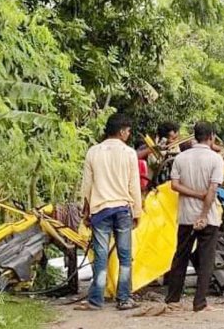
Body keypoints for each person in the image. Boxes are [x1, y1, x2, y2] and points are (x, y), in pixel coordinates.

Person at [77, 113, 143, 311]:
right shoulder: (129, 153)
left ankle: (96, 300)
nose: (129, 134)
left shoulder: (93, 152)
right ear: (122, 131)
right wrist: (137, 212)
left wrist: (86, 211)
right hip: (123, 210)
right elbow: (134, 186)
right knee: (124, 256)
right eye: (128, 131)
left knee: (101, 255)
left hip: (100, 211)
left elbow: (86, 186)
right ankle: (124, 299)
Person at [165, 121, 224, 312]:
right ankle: (199, 303)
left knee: (180, 256)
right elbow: (212, 190)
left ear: (194, 136)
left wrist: (194, 195)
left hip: (185, 216)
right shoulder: (216, 159)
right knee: (206, 260)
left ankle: (172, 299)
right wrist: (204, 214)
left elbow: (174, 185)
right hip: (209, 218)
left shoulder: (181, 158)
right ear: (212, 136)